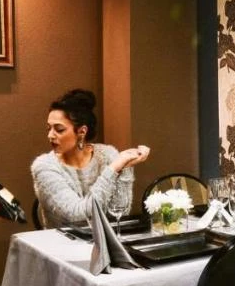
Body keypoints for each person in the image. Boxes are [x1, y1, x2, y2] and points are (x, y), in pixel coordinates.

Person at [31, 89, 150, 228]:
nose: (50, 135)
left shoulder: (108, 154)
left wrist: (126, 167)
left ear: (82, 131)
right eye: (48, 128)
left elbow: (119, 214)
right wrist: (114, 169)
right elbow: (77, 216)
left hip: (105, 239)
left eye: (59, 129)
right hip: (63, 241)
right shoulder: (44, 166)